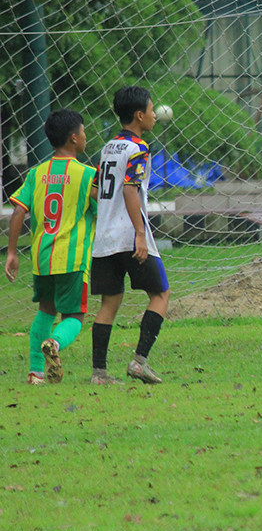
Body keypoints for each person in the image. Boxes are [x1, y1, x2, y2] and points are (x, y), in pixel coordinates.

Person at [5, 110, 98, 384]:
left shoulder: (36, 173)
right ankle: (55, 343)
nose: (85, 136)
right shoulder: (88, 175)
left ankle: (35, 372)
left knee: (45, 309)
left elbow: (19, 212)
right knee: (75, 316)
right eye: (83, 131)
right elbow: (100, 208)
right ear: (73, 138)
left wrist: (11, 252)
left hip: (42, 257)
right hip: (72, 258)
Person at [90, 85, 170, 385]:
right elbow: (129, 188)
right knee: (160, 294)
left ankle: (99, 373)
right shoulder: (139, 148)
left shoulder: (108, 147)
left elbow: (97, 190)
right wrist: (139, 232)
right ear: (139, 115)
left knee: (109, 302)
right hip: (130, 234)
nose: (153, 114)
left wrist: (106, 216)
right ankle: (139, 361)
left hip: (105, 238)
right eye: (151, 110)